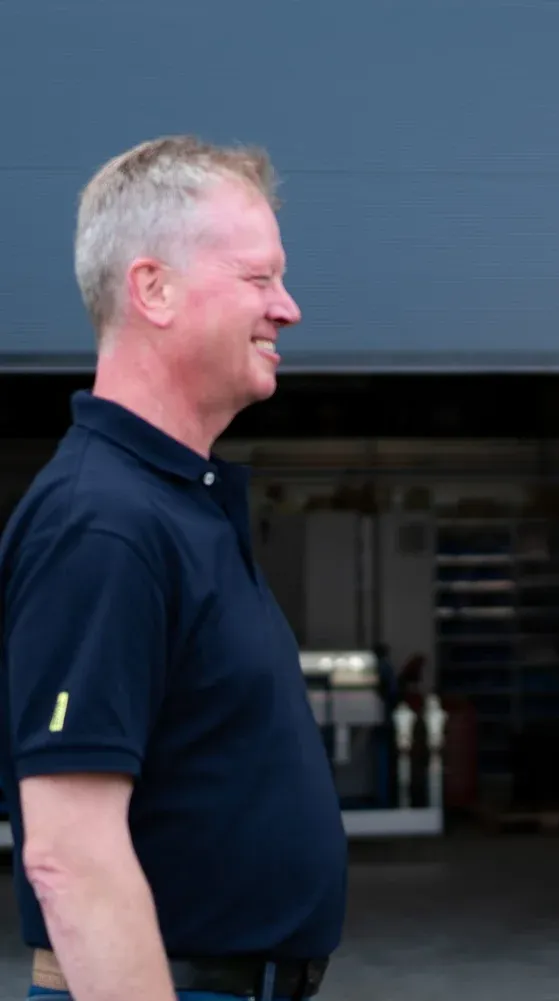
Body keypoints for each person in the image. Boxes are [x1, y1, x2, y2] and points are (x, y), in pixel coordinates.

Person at [0, 136, 347, 1000]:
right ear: (153, 289)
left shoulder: (173, 504)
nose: (289, 307)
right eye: (259, 279)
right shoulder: (103, 522)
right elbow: (69, 855)